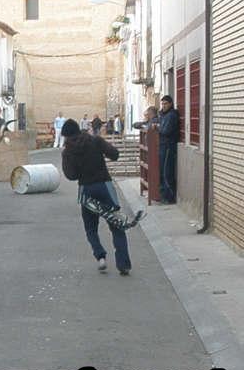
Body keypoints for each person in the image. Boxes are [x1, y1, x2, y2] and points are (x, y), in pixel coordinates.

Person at [61, 119, 143, 276]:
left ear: (66, 136)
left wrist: (66, 158)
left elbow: (71, 176)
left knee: (91, 228)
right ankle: (123, 264)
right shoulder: (95, 140)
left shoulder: (68, 150)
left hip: (86, 190)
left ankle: (100, 257)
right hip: (104, 186)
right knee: (116, 225)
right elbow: (115, 155)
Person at [156, 95, 179, 204]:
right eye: (162, 104)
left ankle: (170, 197)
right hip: (162, 146)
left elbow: (166, 131)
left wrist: (158, 128)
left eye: (165, 104)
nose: (163, 106)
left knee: (166, 172)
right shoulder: (163, 115)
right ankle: (164, 195)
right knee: (161, 171)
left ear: (170, 104)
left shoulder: (171, 116)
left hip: (168, 146)